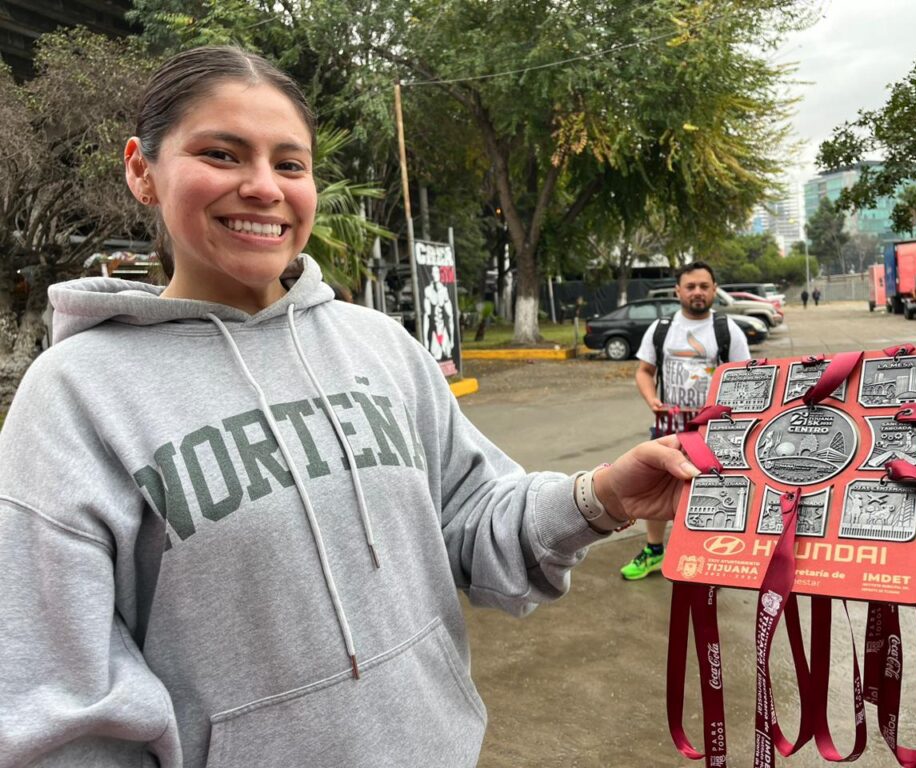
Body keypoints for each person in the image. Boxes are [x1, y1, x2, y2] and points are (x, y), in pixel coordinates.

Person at [0, 47, 701, 768]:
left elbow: (472, 517)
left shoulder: (379, 347)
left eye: (290, 164)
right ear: (142, 169)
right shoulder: (76, 398)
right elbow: (63, 707)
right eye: (222, 153)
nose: (263, 187)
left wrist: (602, 496)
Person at [620, 261, 750, 580]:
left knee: (713, 491)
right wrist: (651, 398)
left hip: (713, 429)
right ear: (678, 290)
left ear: (714, 290)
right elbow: (644, 371)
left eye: (704, 286)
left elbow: (748, 376)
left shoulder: (726, 329)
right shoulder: (662, 328)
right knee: (656, 484)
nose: (697, 292)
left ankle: (708, 556)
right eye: (690, 286)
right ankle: (654, 550)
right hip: (669, 426)